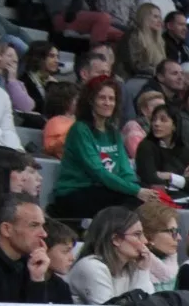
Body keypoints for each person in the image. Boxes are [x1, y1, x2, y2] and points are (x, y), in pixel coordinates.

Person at [52, 74, 155, 218]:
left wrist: (137, 187)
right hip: (76, 192)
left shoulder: (113, 132)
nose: (108, 103)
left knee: (148, 197)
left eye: (111, 99)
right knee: (131, 200)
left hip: (104, 189)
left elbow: (125, 170)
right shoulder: (80, 129)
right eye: (102, 98)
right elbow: (98, 172)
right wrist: (135, 191)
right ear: (90, 101)